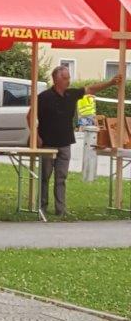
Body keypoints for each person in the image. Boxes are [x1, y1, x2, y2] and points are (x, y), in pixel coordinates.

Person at [33, 65, 121, 217]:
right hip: (47, 143)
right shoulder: (44, 97)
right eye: (65, 78)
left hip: (65, 143)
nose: (68, 81)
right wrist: (36, 136)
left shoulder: (71, 94)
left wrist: (111, 83)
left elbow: (91, 89)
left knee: (61, 178)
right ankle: (42, 208)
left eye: (68, 78)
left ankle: (61, 210)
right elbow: (30, 116)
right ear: (56, 79)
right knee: (44, 177)